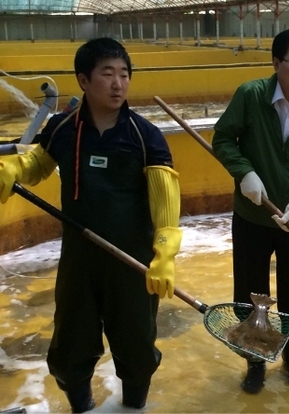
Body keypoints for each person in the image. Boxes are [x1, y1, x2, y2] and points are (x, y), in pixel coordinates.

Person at [0, 37, 182, 412]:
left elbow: (165, 201)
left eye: (124, 74)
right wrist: (13, 167)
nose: (118, 83)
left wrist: (165, 252)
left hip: (132, 263)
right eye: (107, 74)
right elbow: (38, 164)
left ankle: (134, 406)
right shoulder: (63, 127)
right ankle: (81, 406)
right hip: (79, 260)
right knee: (71, 345)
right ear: (84, 80)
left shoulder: (144, 136)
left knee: (136, 344)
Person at [211, 28, 289, 394]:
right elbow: (223, 139)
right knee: (250, 296)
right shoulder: (251, 95)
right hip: (253, 218)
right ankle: (255, 363)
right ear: (276, 63)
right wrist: (244, 172)